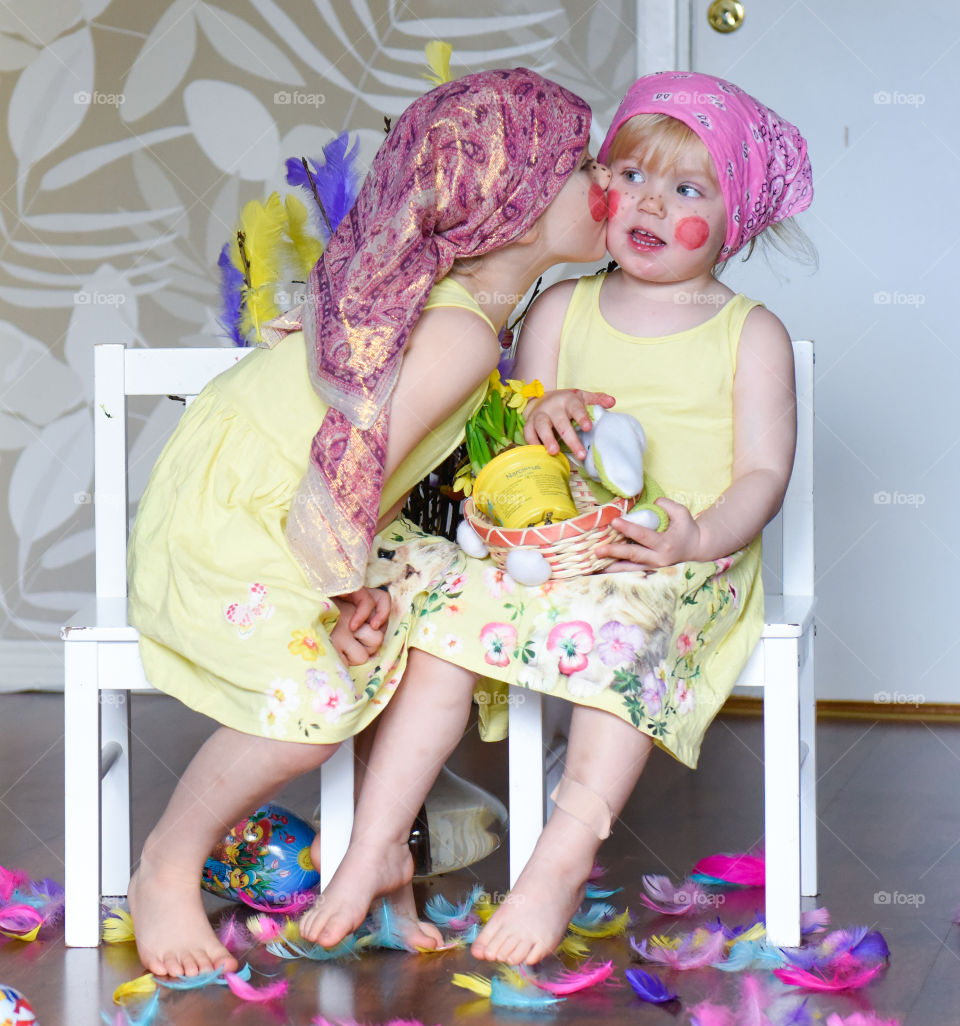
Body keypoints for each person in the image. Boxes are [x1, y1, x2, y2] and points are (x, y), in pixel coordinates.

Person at [303, 71, 814, 965]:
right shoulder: (560, 307)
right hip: (546, 545)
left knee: (623, 632)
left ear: (740, 222)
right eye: (629, 175)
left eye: (687, 189)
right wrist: (534, 415)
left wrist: (697, 535)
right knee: (437, 620)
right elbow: (503, 438)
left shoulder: (749, 332)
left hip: (674, 557)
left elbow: (765, 473)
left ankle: (563, 854)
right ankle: (379, 838)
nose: (648, 202)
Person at [124, 67, 613, 977]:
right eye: (581, 164)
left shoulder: (469, 318)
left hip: (306, 501)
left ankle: (383, 854)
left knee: (444, 607)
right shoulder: (462, 332)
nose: (607, 184)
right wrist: (347, 588)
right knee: (307, 709)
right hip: (254, 514)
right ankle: (168, 859)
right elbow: (348, 470)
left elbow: (382, 456)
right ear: (512, 206)